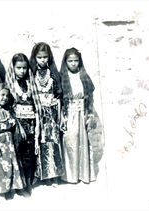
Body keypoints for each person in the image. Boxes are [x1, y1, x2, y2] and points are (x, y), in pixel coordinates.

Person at [59, 47, 101, 184]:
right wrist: (62, 116)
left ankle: (84, 174)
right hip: (69, 113)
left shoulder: (83, 75)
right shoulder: (62, 77)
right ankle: (70, 175)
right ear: (65, 62)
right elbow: (59, 99)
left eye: (76, 60)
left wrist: (89, 114)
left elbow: (90, 96)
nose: (73, 63)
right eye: (70, 61)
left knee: (83, 143)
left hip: (82, 112)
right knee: (70, 142)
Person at [29, 42, 65, 185]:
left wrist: (60, 113)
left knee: (53, 142)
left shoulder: (53, 73)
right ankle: (43, 176)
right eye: (39, 57)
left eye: (45, 57)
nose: (43, 60)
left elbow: (58, 94)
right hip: (38, 113)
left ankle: (54, 175)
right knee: (40, 142)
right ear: (35, 57)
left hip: (52, 113)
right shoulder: (32, 73)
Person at [5, 53, 40, 195]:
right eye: (18, 68)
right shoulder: (10, 84)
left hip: (31, 123)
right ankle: (19, 185)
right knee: (18, 154)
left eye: (24, 68)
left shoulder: (31, 82)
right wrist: (18, 126)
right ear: (13, 68)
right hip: (17, 124)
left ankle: (28, 183)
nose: (22, 71)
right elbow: (9, 107)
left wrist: (37, 124)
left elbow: (36, 104)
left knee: (30, 154)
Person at [0, 83, 25, 200]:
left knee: (12, 165)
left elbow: (14, 123)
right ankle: (2, 193)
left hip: (10, 143)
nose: (5, 98)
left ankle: (13, 189)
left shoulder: (7, 111)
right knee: (0, 168)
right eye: (2, 95)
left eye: (7, 96)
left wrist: (20, 129)